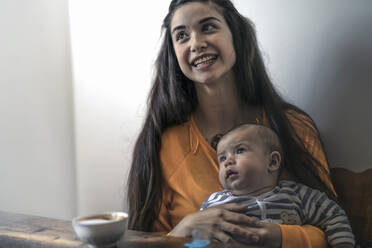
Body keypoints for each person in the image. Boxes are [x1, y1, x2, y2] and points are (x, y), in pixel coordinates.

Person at [127, 0, 338, 247]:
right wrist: (185, 229)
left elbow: (333, 227)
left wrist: (278, 236)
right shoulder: (164, 145)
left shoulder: (293, 127)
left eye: (208, 27)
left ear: (235, 35)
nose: (196, 44)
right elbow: (145, 241)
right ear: (174, 52)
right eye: (182, 36)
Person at [200, 123, 355, 248]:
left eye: (239, 150)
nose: (228, 161)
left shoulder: (296, 194)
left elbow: (333, 214)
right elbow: (196, 236)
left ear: (273, 162)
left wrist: (342, 243)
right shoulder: (214, 202)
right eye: (222, 158)